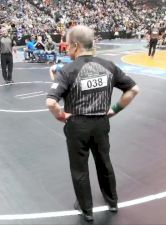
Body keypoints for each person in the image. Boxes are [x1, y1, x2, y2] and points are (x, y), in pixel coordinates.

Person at [46, 25, 140, 222]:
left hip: (77, 125)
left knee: (79, 168)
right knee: (104, 162)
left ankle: (86, 209)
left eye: (68, 46)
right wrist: (114, 109)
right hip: (100, 124)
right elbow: (134, 90)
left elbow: (51, 101)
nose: (67, 50)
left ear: (76, 45)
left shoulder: (68, 71)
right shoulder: (108, 66)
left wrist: (61, 116)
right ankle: (112, 201)